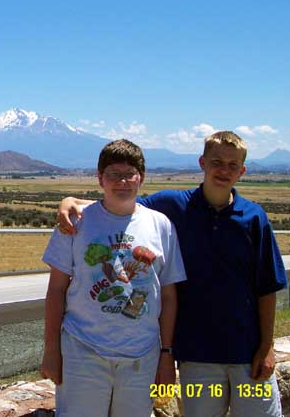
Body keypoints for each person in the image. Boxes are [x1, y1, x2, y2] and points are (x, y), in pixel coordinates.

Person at [56, 131, 288, 417]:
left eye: (232, 165)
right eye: (217, 162)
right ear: (202, 162)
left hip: (248, 354)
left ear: (242, 170)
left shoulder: (254, 218)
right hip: (196, 358)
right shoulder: (173, 206)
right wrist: (72, 202)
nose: (223, 170)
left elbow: (267, 287)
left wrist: (267, 346)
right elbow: (121, 204)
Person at [41, 139, 187, 417]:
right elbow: (56, 290)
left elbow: (168, 295)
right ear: (100, 178)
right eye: (113, 174)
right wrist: (51, 350)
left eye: (129, 173)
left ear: (141, 178)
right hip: (83, 351)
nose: (122, 181)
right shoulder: (75, 223)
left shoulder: (161, 225)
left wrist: (167, 355)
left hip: (142, 357)